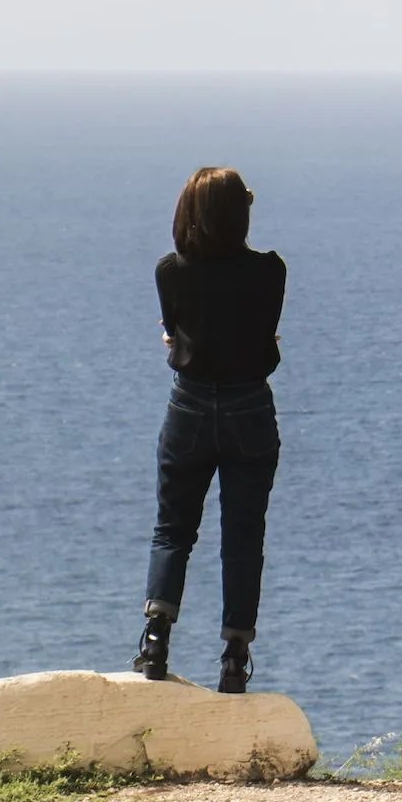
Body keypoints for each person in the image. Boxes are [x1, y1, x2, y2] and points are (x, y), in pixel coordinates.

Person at [139, 165, 287, 692]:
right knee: (243, 537)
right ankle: (233, 657)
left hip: (190, 409)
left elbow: (173, 334)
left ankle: (154, 641)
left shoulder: (169, 271)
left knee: (173, 529)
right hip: (250, 409)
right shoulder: (271, 270)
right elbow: (265, 338)